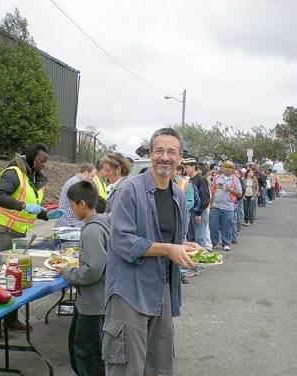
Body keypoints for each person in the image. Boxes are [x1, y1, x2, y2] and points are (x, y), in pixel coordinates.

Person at [103, 127, 200, 376]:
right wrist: (168, 249)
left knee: (158, 366)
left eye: (171, 152)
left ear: (179, 158)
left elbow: (171, 238)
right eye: (159, 150)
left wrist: (186, 246)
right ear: (150, 154)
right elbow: (122, 241)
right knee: (127, 368)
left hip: (161, 291)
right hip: (129, 292)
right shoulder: (129, 191)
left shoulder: (178, 195)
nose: (164, 157)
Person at [0, 143, 64, 338]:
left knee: (13, 276)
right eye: (41, 161)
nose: (44, 164)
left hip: (18, 234)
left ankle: (10, 320)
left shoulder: (34, 179)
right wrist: (24, 205)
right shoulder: (14, 173)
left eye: (46, 161)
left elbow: (32, 209)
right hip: (0, 230)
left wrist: (46, 214)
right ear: (31, 158)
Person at [53, 181, 110, 376]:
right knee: (81, 347)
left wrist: (67, 272)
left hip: (94, 303)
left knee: (88, 354)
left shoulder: (93, 230)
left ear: (82, 204)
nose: (71, 208)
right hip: (94, 300)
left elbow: (93, 271)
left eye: (72, 204)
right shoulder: (100, 223)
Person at [209, 160, 242, 251]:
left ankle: (226, 243)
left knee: (227, 226)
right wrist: (210, 205)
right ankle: (213, 242)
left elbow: (239, 193)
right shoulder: (217, 178)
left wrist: (230, 189)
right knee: (213, 225)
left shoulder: (236, 180)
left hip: (228, 207)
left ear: (232, 169)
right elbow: (212, 192)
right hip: (216, 206)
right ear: (223, 168)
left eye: (229, 167)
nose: (227, 169)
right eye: (226, 167)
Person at [55, 163, 96, 228]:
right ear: (86, 173)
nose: (92, 179)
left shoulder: (74, 181)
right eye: (92, 176)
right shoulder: (76, 184)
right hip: (69, 224)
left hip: (67, 223)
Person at [183, 156, 210, 249]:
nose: (185, 170)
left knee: (199, 237)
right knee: (190, 237)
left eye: (186, 167)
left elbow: (205, 198)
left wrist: (199, 213)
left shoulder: (201, 179)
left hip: (198, 212)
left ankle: (201, 260)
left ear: (193, 166)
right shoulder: (188, 180)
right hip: (190, 212)